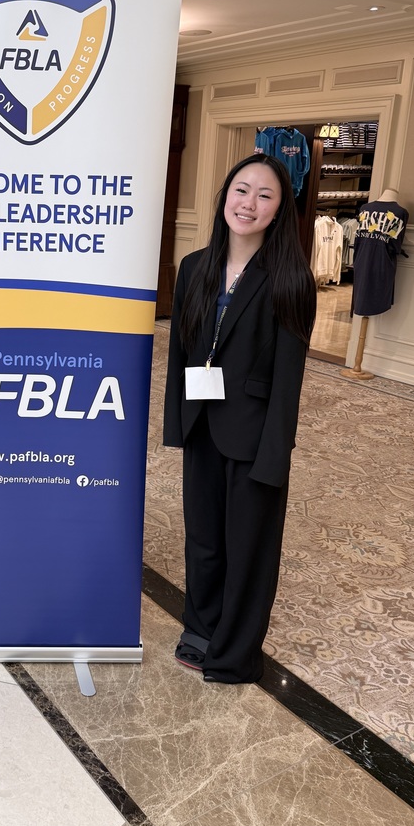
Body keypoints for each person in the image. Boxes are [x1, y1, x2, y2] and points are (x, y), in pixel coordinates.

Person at [163, 154, 316, 683]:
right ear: (225, 196)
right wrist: (177, 425)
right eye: (241, 190)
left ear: (279, 210)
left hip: (255, 437)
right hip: (202, 426)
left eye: (264, 195)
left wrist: (276, 456)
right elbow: (181, 353)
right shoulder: (194, 267)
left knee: (249, 550)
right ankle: (201, 629)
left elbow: (289, 379)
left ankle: (234, 655)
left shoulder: (291, 279)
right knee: (204, 540)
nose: (249, 203)